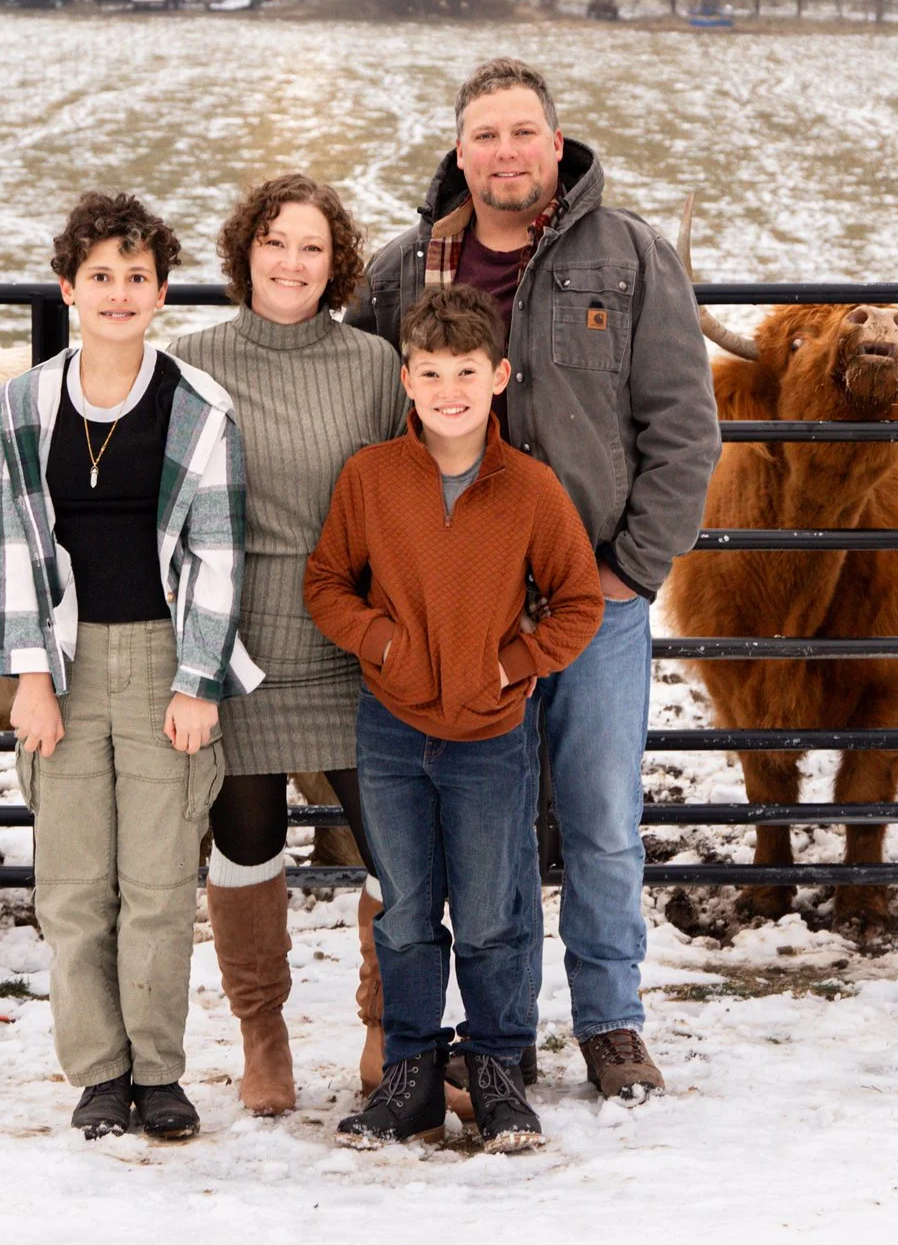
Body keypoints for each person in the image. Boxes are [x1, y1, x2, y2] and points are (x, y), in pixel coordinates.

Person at [352, 57, 721, 1101]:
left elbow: (684, 429)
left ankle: (610, 1019)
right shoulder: (402, 271)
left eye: (523, 131)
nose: (504, 151)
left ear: (555, 143)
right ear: (458, 149)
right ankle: (498, 1036)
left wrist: (630, 568)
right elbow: (367, 423)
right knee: (487, 826)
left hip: (589, 602)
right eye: (484, 134)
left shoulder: (631, 257)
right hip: (458, 609)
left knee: (602, 816)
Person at [305, 284, 604, 1153]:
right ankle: (411, 1074)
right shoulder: (372, 478)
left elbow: (579, 601)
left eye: (466, 371)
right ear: (406, 379)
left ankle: (498, 1068)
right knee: (403, 911)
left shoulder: (531, 490)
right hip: (392, 731)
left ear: (499, 375)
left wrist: (511, 664)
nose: (449, 390)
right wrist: (384, 645)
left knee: (490, 912)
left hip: (490, 736)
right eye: (430, 372)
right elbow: (326, 582)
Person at [0, 191, 258, 1143]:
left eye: (135, 277)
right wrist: (29, 675)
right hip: (63, 663)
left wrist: (198, 681)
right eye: (99, 275)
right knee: (71, 883)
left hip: (161, 657)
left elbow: (219, 554)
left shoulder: (197, 406)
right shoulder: (24, 406)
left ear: (161, 291)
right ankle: (98, 1072)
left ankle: (158, 1069)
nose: (117, 292)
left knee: (154, 881)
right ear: (68, 287)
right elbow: (13, 543)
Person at [166, 174, 404, 1116]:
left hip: (352, 636)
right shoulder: (190, 364)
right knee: (246, 840)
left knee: (394, 844)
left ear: (334, 260)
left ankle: (388, 1023)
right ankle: (262, 1033)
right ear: (244, 253)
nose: (292, 262)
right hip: (239, 641)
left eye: (311, 245)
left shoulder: (375, 366)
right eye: (274, 242)